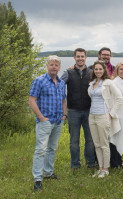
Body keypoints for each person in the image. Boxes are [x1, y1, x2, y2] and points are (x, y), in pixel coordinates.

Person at [29, 55, 67, 191]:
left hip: (58, 121)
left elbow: (63, 100)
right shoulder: (39, 81)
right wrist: (41, 117)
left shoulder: (62, 83)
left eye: (56, 65)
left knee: (52, 148)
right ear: (47, 66)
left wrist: (64, 115)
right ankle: (37, 179)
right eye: (51, 64)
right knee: (40, 150)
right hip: (45, 121)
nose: (54, 67)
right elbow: (31, 100)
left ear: (59, 67)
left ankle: (48, 173)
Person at [61, 48, 96, 170]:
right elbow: (59, 86)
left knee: (90, 140)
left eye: (82, 56)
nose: (80, 58)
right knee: (74, 141)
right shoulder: (68, 72)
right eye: (78, 56)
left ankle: (90, 163)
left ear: (86, 57)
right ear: (74, 58)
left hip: (89, 111)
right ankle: (75, 164)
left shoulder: (92, 72)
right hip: (73, 111)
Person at [88, 60, 123, 178]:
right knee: (97, 144)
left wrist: (111, 113)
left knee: (104, 144)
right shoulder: (92, 83)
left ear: (104, 70)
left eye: (100, 69)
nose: (98, 71)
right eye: (96, 69)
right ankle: (100, 168)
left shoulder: (108, 82)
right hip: (92, 116)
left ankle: (105, 168)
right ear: (94, 70)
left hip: (103, 116)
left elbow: (119, 98)